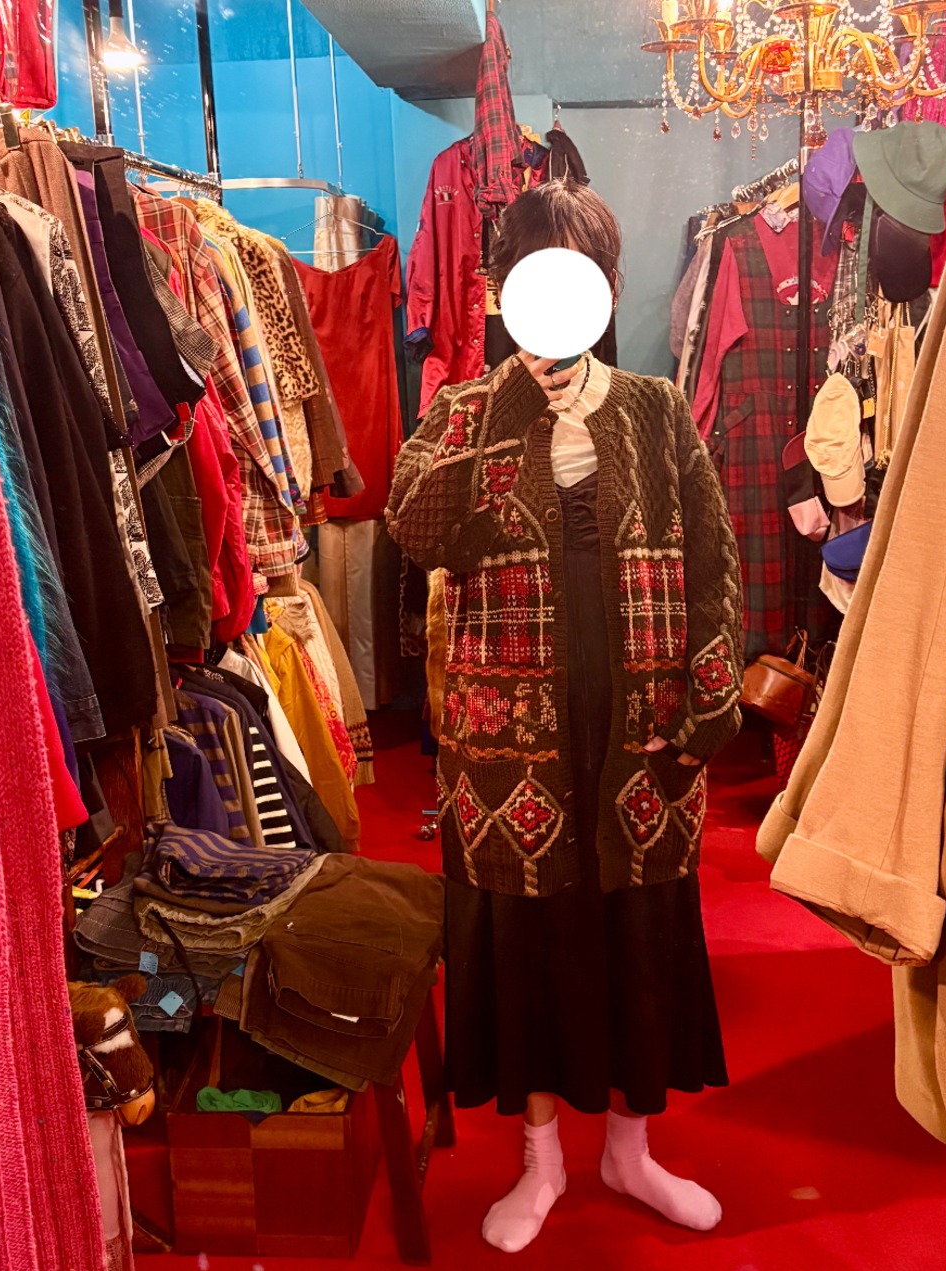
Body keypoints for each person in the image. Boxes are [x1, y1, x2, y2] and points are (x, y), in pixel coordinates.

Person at [386, 180, 744, 1254]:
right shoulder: (462, 409)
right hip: (512, 741)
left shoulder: (654, 407)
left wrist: (708, 699)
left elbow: (713, 557)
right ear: (499, 291)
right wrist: (510, 402)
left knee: (639, 936)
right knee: (528, 940)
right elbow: (415, 528)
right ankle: (540, 1159)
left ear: (606, 287)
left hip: (642, 726)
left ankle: (631, 1149)